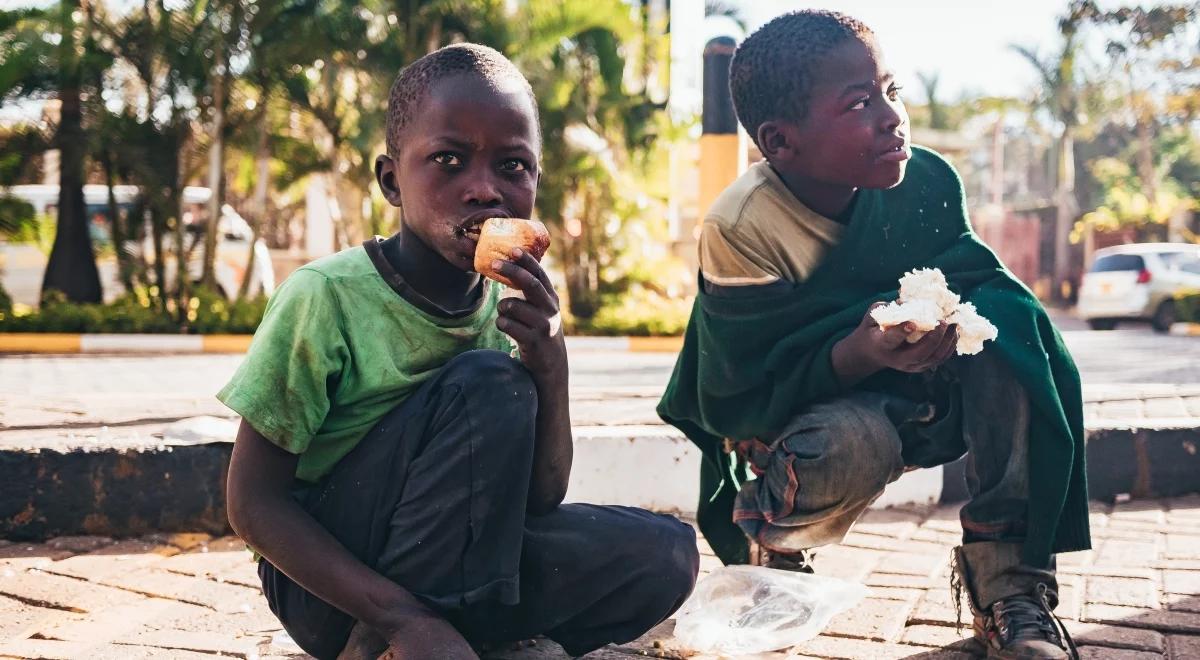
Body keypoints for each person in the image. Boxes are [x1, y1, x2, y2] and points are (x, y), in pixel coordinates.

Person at [221, 43, 698, 660]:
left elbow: (538, 501)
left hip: (472, 559)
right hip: (333, 588)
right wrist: (401, 617)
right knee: (488, 385)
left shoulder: (512, 310)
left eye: (514, 166)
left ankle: (453, 636)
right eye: (448, 160)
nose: (484, 190)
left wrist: (550, 366)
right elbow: (251, 502)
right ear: (392, 180)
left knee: (665, 554)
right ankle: (398, 635)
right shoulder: (326, 297)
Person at [657, 11, 1088, 660]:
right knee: (848, 446)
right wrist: (857, 352)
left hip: (923, 388)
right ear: (781, 142)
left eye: (892, 91)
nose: (892, 117)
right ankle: (769, 533)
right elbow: (741, 389)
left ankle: (1011, 589)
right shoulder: (743, 226)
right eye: (860, 103)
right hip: (803, 421)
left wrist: (962, 323)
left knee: (1015, 340)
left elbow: (978, 280)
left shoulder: (927, 180)